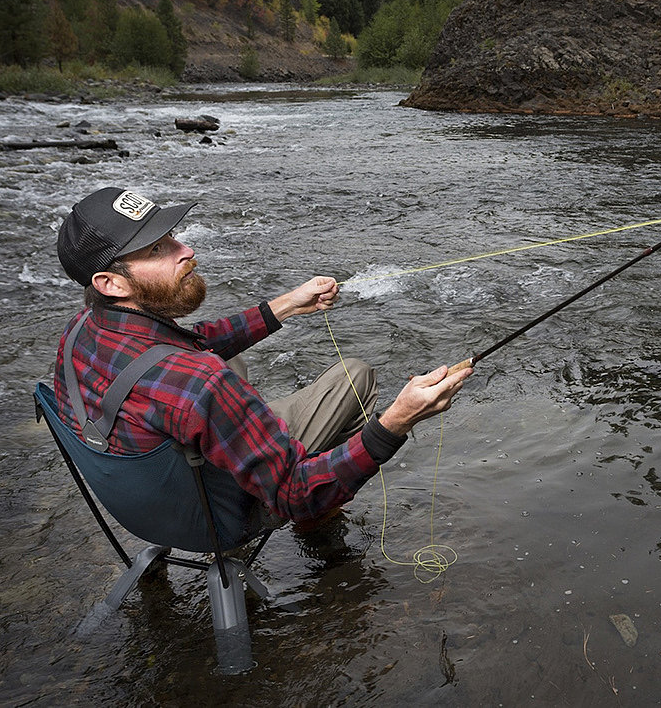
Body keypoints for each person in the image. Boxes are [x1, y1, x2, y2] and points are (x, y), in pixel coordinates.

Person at [52, 186, 470, 537]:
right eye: (160, 248)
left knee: (231, 372)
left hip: (146, 513)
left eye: (175, 236)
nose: (187, 249)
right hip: (217, 519)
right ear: (111, 283)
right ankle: (318, 526)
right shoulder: (199, 382)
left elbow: (193, 343)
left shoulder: (83, 328)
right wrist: (396, 422)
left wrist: (286, 306)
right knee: (354, 376)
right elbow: (294, 492)